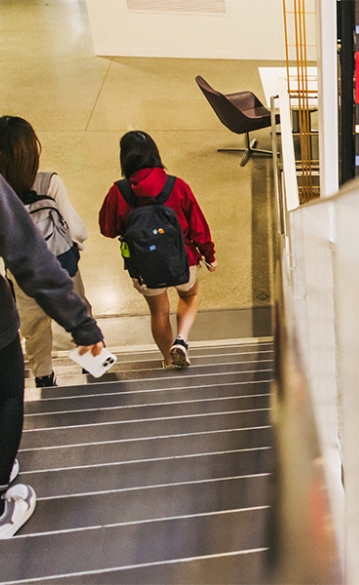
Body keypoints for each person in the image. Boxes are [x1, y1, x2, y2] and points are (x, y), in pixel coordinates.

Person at [0, 174, 104, 538]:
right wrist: (82, 324)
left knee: (33, 336)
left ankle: (43, 373)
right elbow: (31, 257)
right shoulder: (46, 182)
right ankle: (1, 501)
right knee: (8, 396)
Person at [99, 131, 217, 369]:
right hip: (183, 260)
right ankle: (181, 341)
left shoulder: (118, 191)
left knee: (159, 313)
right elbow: (198, 227)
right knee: (189, 296)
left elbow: (108, 229)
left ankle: (167, 360)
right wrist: (209, 255)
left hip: (144, 267)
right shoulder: (177, 186)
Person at [0, 116, 92, 388]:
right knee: (78, 314)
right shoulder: (49, 182)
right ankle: (92, 365)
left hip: (22, 278)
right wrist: (78, 246)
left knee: (34, 328)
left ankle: (43, 375)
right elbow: (75, 228)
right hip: (62, 269)